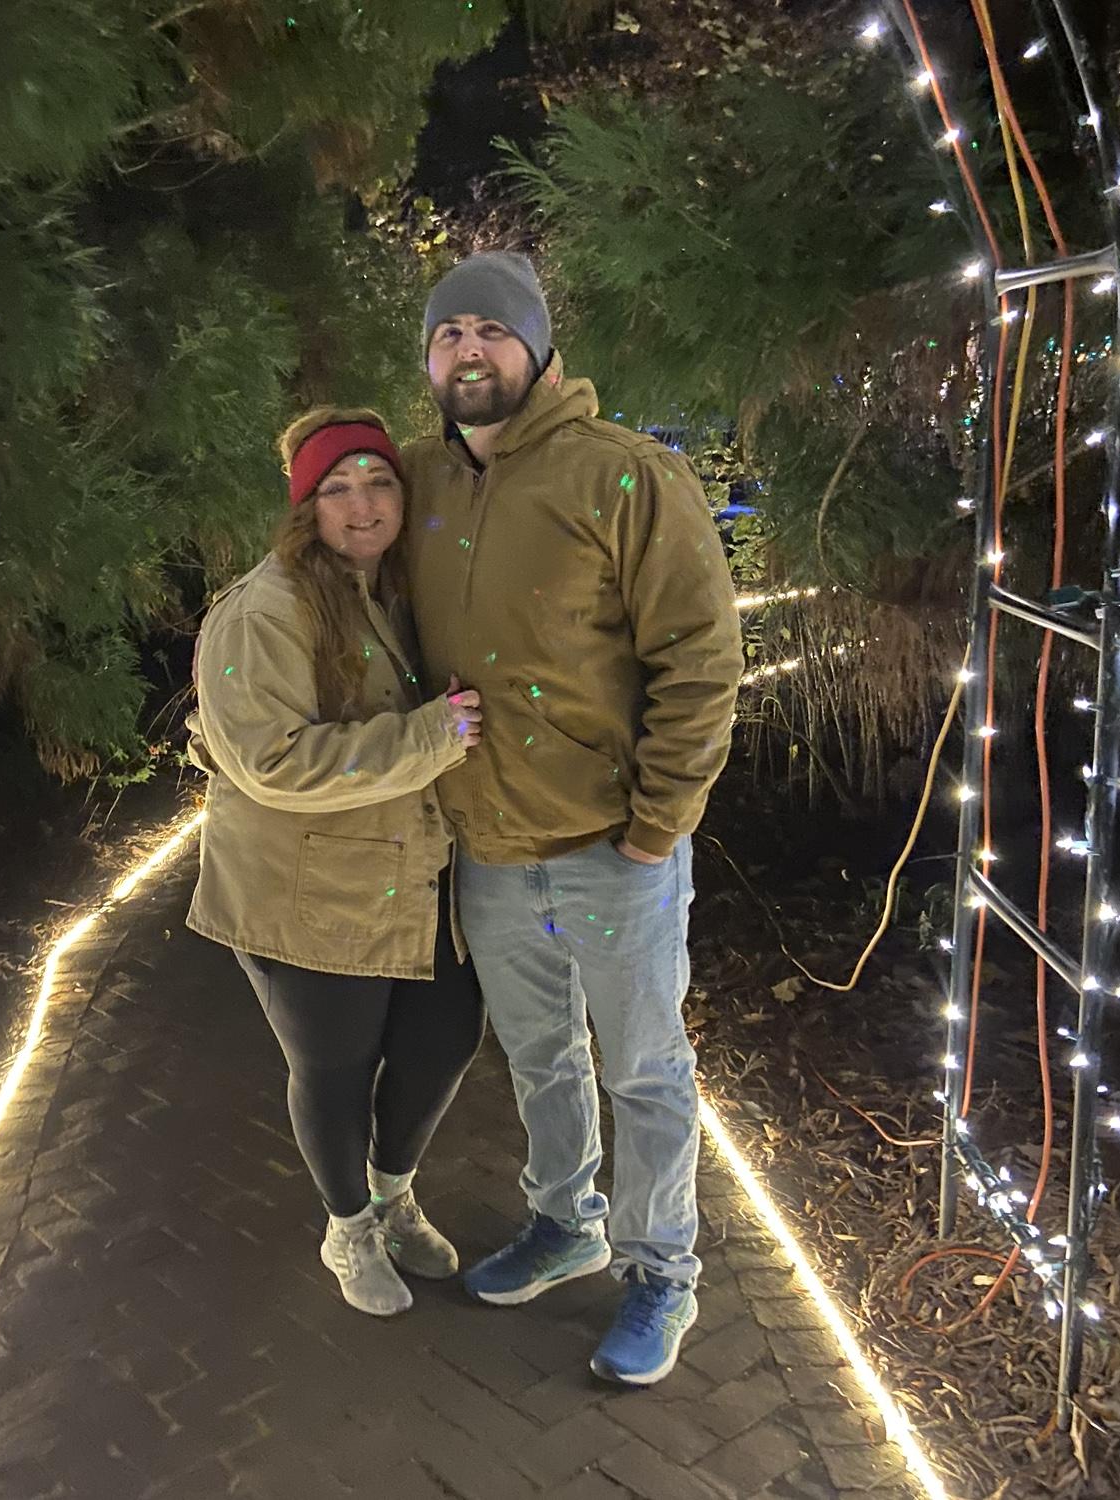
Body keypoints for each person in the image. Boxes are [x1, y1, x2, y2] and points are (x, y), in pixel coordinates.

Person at [404, 251, 743, 1385]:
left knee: (643, 1070)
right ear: (430, 362)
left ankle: (662, 1272)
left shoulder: (626, 476)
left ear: (540, 349)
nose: (469, 349)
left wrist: (657, 825)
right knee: (542, 1060)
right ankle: (566, 1223)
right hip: (491, 851)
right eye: (448, 334)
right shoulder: (421, 481)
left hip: (612, 850)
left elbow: (700, 659)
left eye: (491, 330)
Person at [187, 407, 487, 1318]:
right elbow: (269, 761)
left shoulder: (395, 587)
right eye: (337, 488)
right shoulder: (265, 610)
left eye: (380, 481)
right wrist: (433, 735)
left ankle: (393, 1195)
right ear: (304, 505)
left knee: (445, 1037)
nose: (363, 505)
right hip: (302, 888)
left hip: (410, 871)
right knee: (336, 1068)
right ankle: (348, 1225)